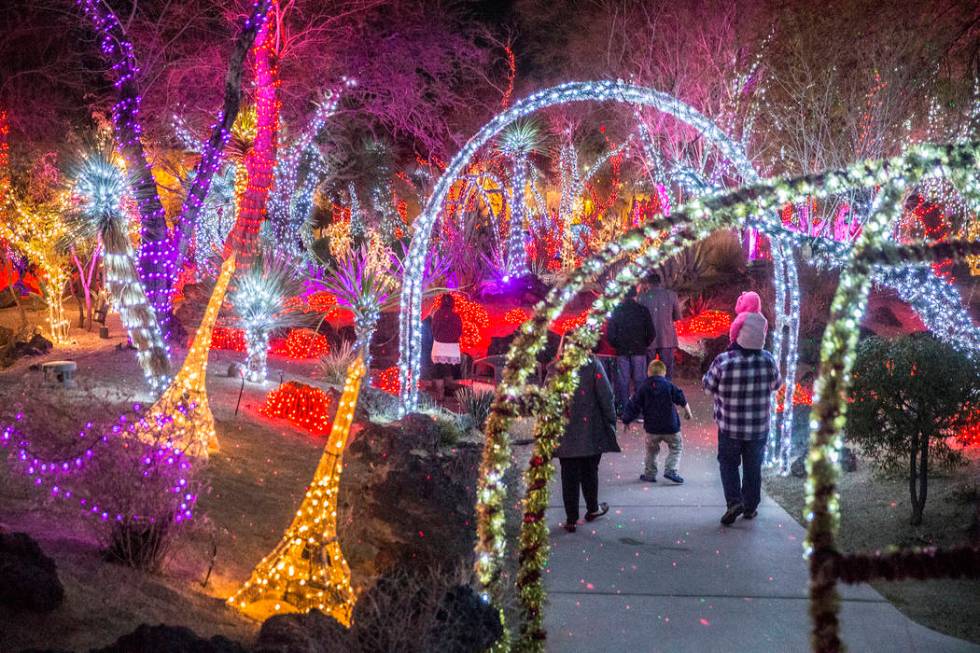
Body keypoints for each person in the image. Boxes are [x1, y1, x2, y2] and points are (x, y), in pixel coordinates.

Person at [702, 308, 782, 526]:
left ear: (737, 334)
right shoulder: (768, 360)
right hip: (758, 428)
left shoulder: (723, 360)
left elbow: (708, 388)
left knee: (728, 463)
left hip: (729, 427)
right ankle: (750, 507)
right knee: (753, 465)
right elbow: (776, 385)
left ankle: (734, 501)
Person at [553, 353, 620, 532]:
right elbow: (606, 395)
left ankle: (571, 519)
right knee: (590, 470)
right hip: (590, 428)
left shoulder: (556, 367)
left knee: (569, 475)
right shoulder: (593, 364)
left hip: (565, 432)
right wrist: (611, 419)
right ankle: (592, 508)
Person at [622, 359, 693, 484]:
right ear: (664, 373)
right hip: (671, 427)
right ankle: (671, 470)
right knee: (676, 447)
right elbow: (680, 397)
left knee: (651, 451)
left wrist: (627, 420)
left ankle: (650, 474)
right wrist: (688, 412)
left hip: (652, 428)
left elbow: (634, 404)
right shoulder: (669, 385)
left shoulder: (643, 388)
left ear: (648, 373)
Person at [606, 287, 655, 414]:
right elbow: (651, 332)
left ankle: (625, 410)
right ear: (636, 295)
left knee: (623, 381)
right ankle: (640, 410)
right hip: (639, 350)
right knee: (640, 380)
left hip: (622, 350)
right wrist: (644, 344)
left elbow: (610, 333)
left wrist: (617, 344)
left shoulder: (617, 311)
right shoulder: (643, 310)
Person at [637, 273, 682, 379]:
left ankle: (650, 391)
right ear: (660, 282)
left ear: (648, 284)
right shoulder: (672, 295)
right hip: (667, 338)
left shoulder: (642, 298)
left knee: (649, 370)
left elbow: (640, 319)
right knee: (667, 371)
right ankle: (666, 392)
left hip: (648, 339)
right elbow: (677, 316)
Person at [430, 294, 463, 400]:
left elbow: (433, 330)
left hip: (439, 345)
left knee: (438, 370)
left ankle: (440, 395)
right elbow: (459, 332)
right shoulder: (456, 316)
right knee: (453, 369)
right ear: (452, 303)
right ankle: (453, 393)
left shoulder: (437, 314)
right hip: (453, 347)